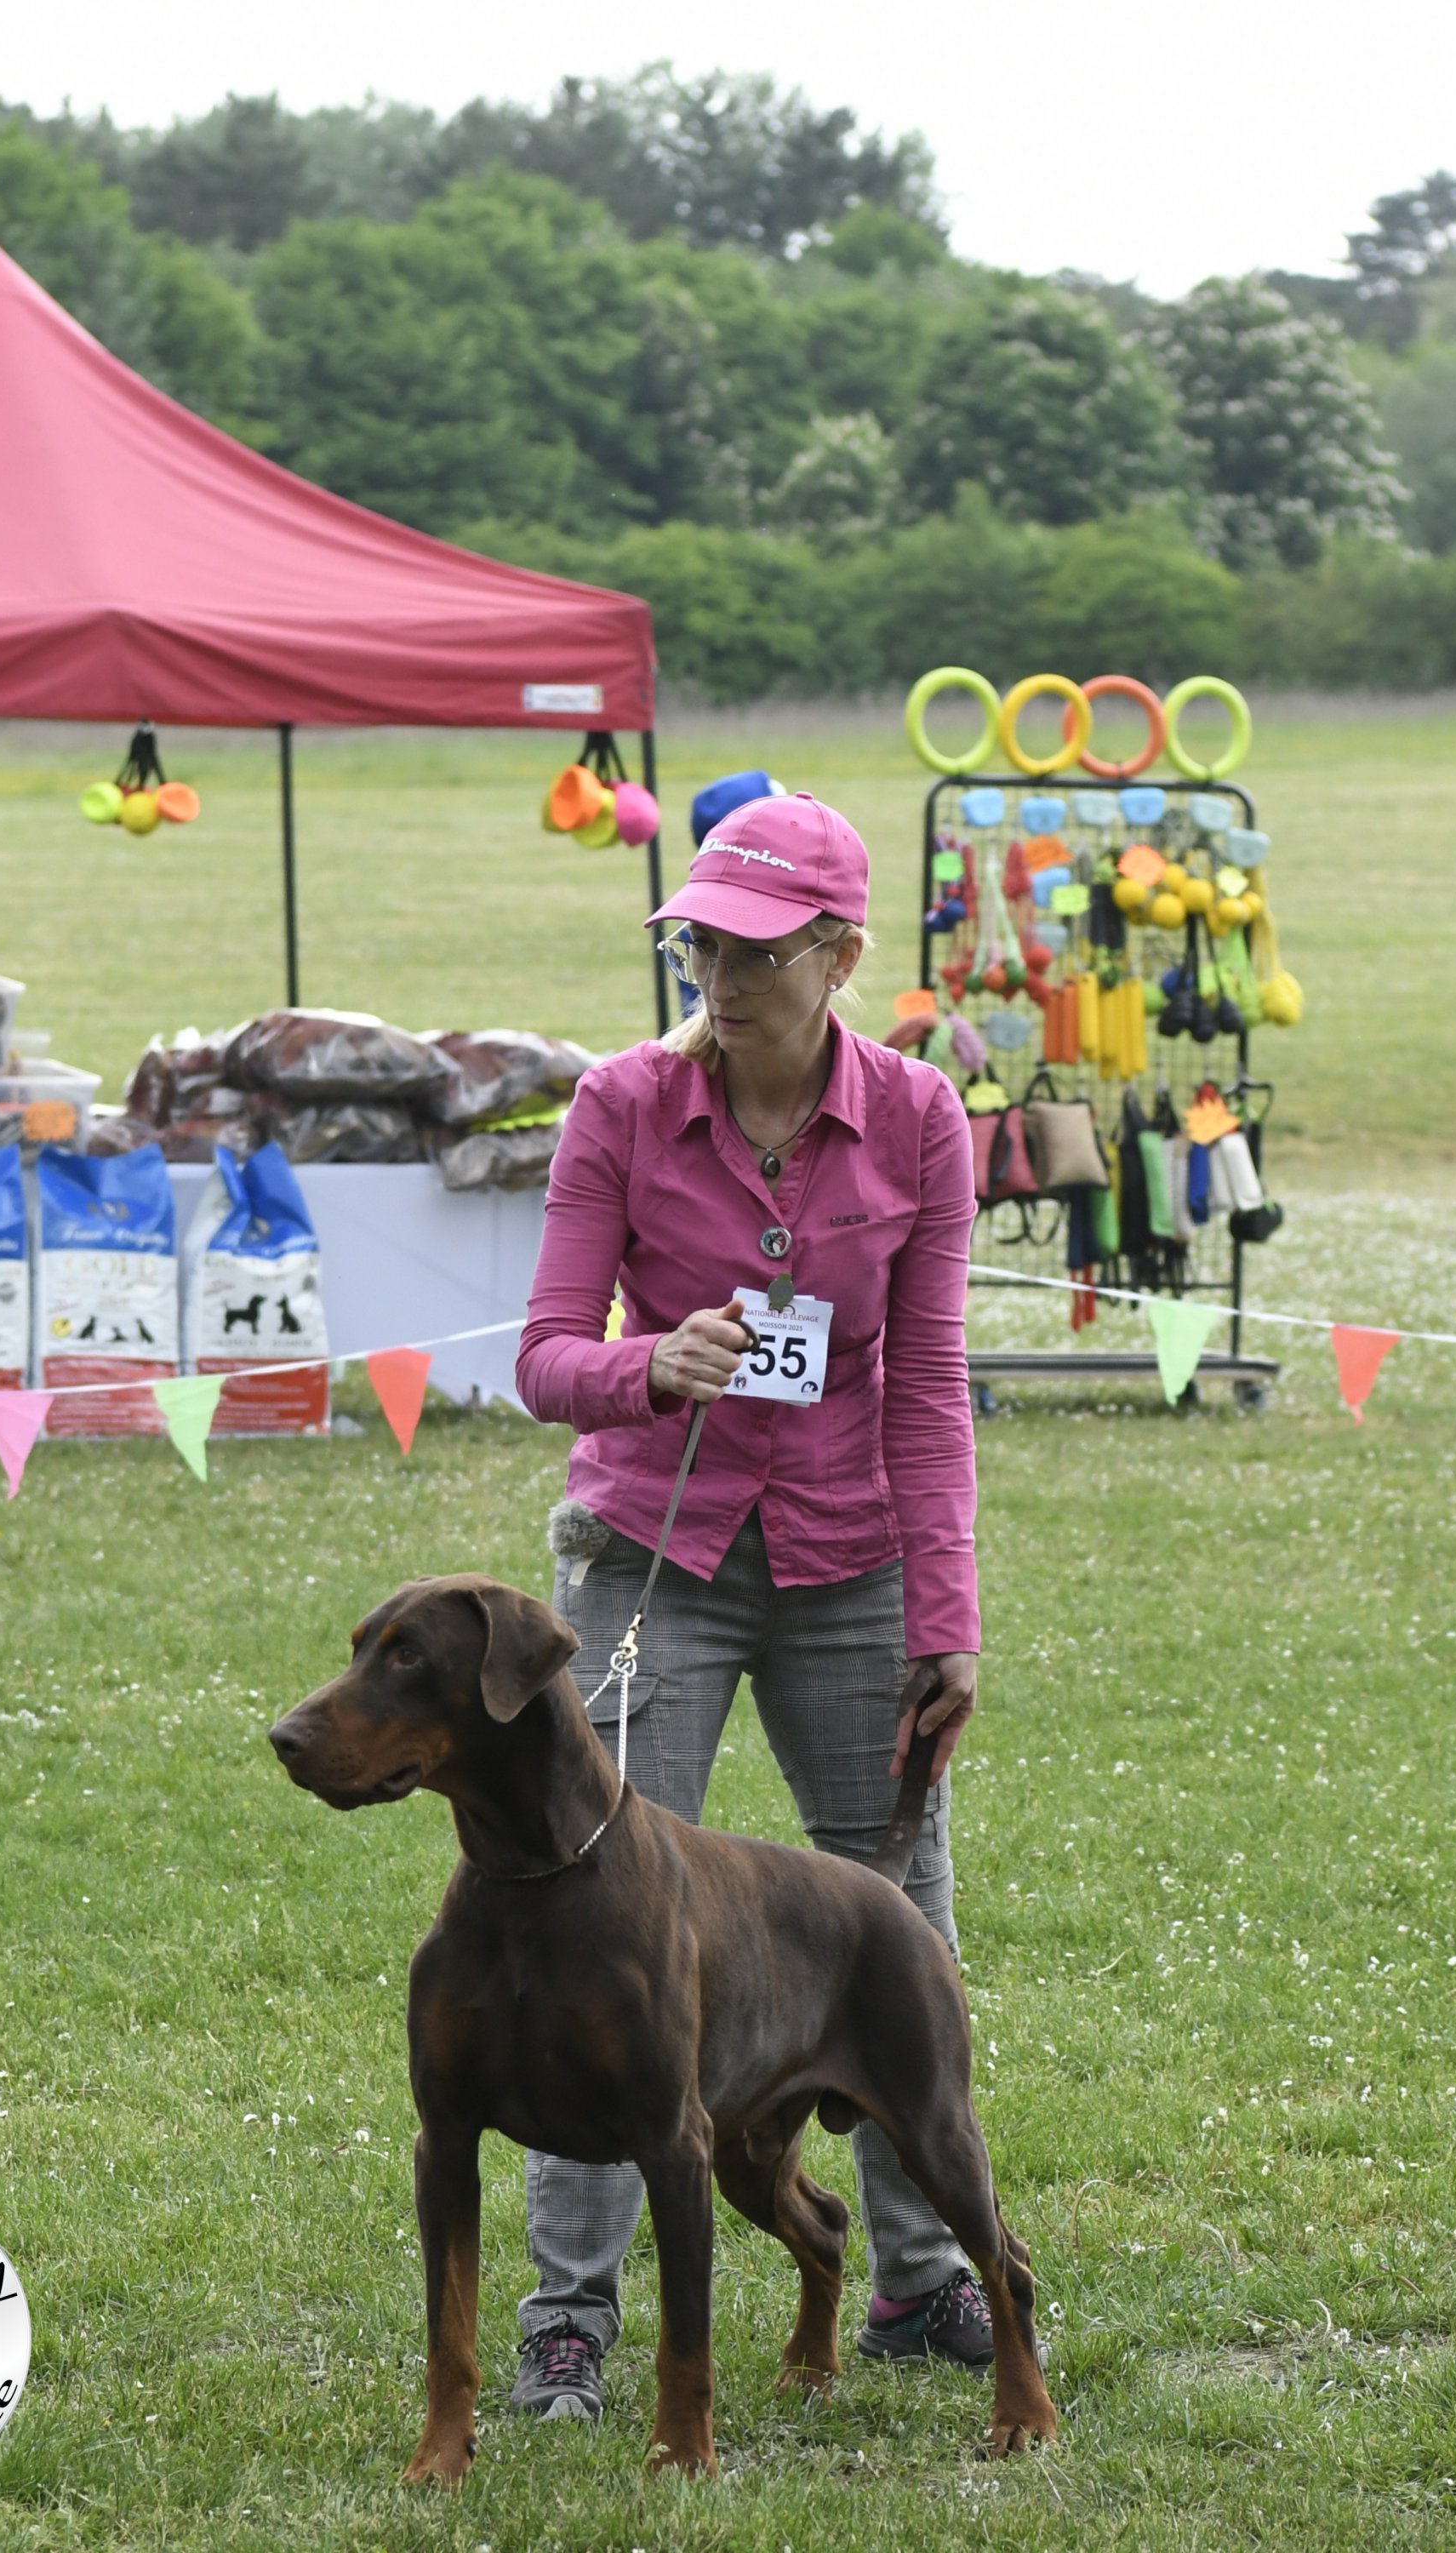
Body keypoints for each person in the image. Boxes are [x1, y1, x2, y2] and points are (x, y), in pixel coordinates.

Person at [508, 789, 985, 2423]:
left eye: (758, 951)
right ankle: (570, 2319)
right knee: (593, 1916)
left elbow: (927, 1382)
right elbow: (545, 1354)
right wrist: (649, 1367)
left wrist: (947, 1614)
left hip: (856, 1562)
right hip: (653, 1550)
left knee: (892, 1915)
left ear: (841, 956)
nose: (719, 974)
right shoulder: (621, 1104)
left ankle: (918, 2282)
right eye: (700, 943)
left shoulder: (919, 1119)